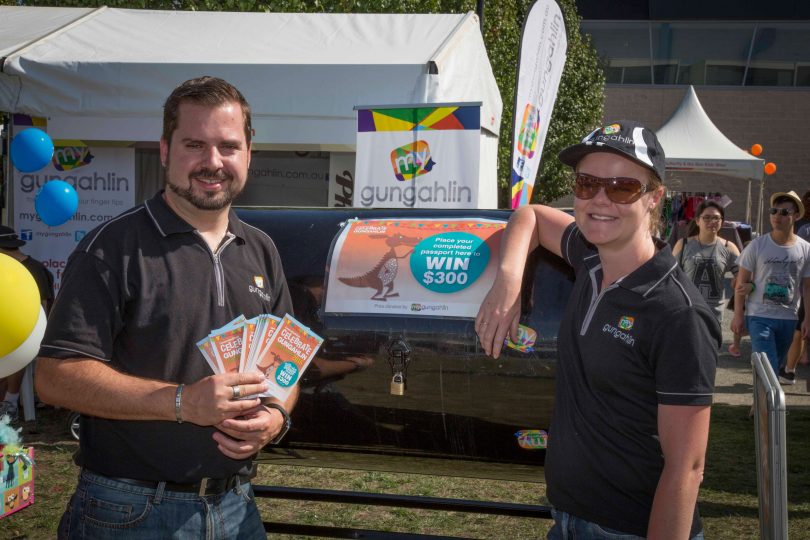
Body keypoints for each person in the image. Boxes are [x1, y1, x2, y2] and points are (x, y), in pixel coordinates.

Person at [35, 76, 296, 540]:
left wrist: (275, 418)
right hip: (129, 511)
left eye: (228, 146)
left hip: (237, 507)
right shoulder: (111, 248)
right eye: (195, 144)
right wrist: (182, 402)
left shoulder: (261, 250)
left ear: (249, 154)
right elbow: (55, 377)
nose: (212, 162)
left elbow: (287, 366)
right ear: (164, 150)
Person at [477, 121, 719, 539]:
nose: (599, 199)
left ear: (654, 199)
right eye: (587, 183)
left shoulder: (678, 314)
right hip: (568, 519)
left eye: (623, 187)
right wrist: (509, 281)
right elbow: (530, 215)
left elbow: (687, 469)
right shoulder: (591, 257)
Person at [732, 190, 810, 382]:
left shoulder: (805, 249)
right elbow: (740, 283)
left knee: (773, 365)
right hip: (759, 316)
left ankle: (760, 404)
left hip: (788, 317)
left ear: (796, 216)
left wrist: (808, 318)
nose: (777, 216)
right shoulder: (757, 245)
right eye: (774, 211)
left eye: (784, 212)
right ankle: (767, 409)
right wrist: (738, 315)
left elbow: (807, 287)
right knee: (768, 367)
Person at [0, 225, 55, 422]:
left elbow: (42, 311)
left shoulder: (34, 271)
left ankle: (11, 402)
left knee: (18, 346)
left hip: (30, 333)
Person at [672, 200, 740, 355]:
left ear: (722, 221)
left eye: (716, 218)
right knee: (684, 354)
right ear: (697, 220)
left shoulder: (729, 247)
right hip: (686, 310)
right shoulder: (683, 244)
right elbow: (670, 277)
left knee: (707, 356)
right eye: (707, 217)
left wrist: (742, 282)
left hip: (713, 314)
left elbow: (745, 278)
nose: (712, 222)